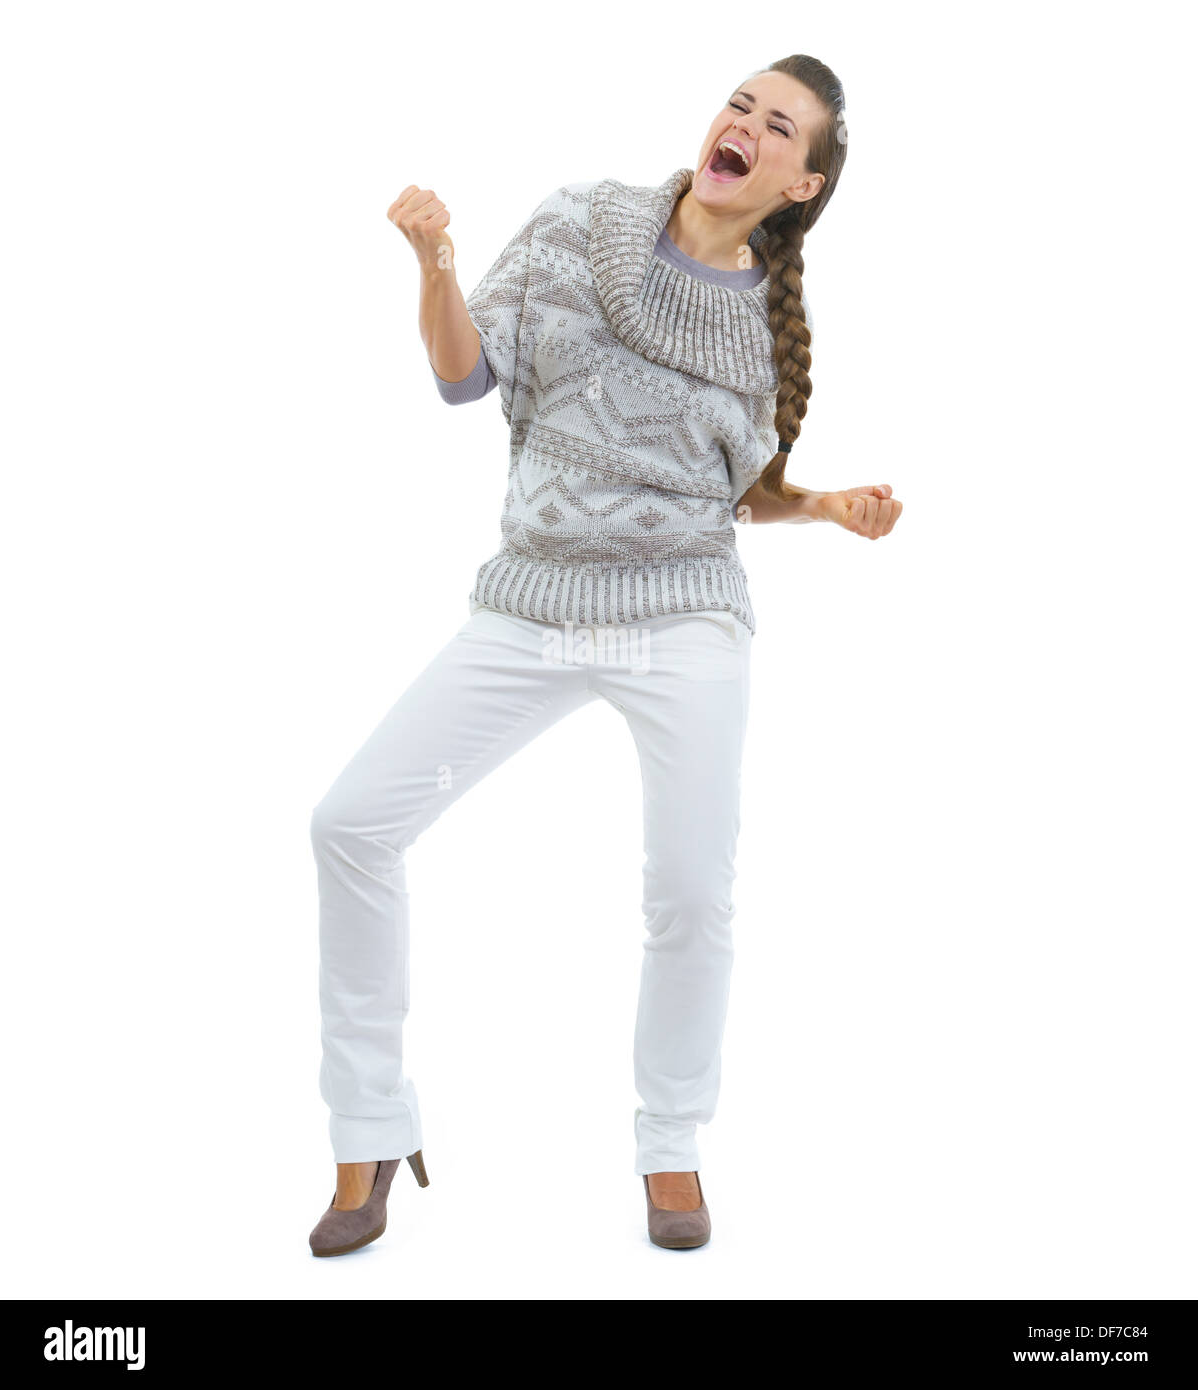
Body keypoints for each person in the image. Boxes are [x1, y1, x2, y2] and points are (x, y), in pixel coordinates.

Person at [307, 53, 902, 1258]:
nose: (743, 124)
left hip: (681, 615)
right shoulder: (583, 222)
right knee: (350, 823)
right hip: (532, 599)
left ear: (801, 182)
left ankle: (671, 1144)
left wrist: (824, 503)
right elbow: (464, 378)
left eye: (776, 125)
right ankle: (369, 1125)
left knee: (690, 892)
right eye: (741, 101)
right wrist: (433, 264)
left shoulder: (767, 331)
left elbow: (740, 493)